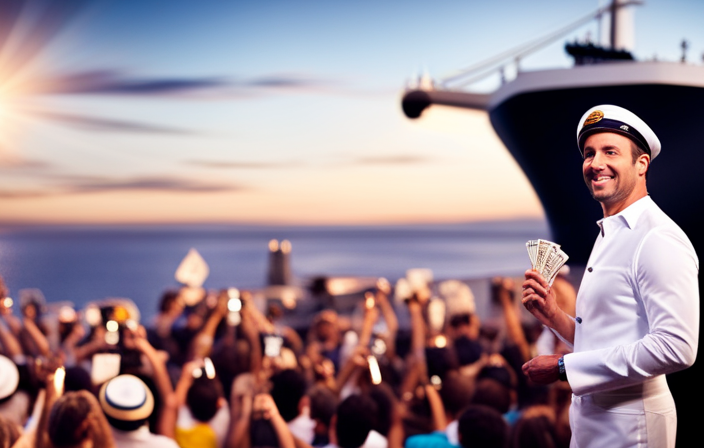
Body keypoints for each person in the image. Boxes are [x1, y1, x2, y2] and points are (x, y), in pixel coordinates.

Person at [521, 104, 699, 448]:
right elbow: (608, 338)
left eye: (610, 151)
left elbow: (677, 348)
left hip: (632, 431)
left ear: (642, 164)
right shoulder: (611, 233)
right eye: (589, 154)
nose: (595, 163)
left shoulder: (657, 237)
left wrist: (562, 368)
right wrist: (554, 317)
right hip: (595, 426)